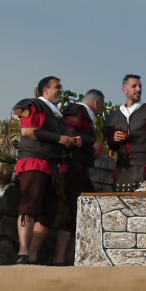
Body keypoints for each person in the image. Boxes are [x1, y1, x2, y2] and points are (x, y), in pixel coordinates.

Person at [12, 76, 80, 264]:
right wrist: (59, 138)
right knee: (29, 206)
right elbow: (27, 131)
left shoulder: (57, 117)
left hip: (51, 166)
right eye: (57, 87)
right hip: (34, 161)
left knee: (48, 213)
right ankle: (23, 252)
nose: (61, 90)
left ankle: (32, 255)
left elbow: (57, 140)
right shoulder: (35, 106)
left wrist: (70, 141)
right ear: (45, 90)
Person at [52, 89, 105, 266]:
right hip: (71, 169)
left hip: (79, 170)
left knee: (80, 213)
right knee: (69, 211)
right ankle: (60, 258)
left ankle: (70, 258)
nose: (100, 110)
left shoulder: (83, 116)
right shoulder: (76, 111)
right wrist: (93, 142)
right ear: (97, 103)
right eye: (101, 106)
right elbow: (68, 131)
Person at [103, 74, 146, 192]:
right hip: (121, 174)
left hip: (145, 171)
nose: (138, 89)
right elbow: (112, 146)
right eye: (134, 86)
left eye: (140, 86)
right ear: (124, 90)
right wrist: (114, 139)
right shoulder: (114, 116)